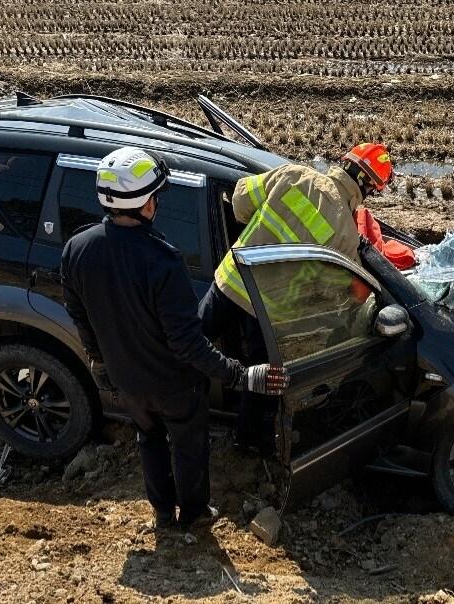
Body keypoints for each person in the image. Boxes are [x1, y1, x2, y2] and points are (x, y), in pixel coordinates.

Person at [61, 146, 290, 530]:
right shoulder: (162, 260)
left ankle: (163, 513)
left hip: (126, 379)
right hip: (174, 384)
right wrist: (240, 374)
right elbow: (188, 343)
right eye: (155, 195)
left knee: (148, 439)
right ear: (145, 204)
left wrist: (99, 359)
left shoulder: (76, 248)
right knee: (188, 447)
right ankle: (194, 513)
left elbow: (79, 314)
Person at [199, 143, 407, 446]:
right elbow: (338, 292)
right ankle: (249, 441)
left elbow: (240, 204)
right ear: (367, 188)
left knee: (191, 347)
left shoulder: (293, 174)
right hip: (268, 313)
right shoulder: (346, 233)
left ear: (344, 162)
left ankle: (172, 408)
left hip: (230, 282)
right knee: (262, 381)